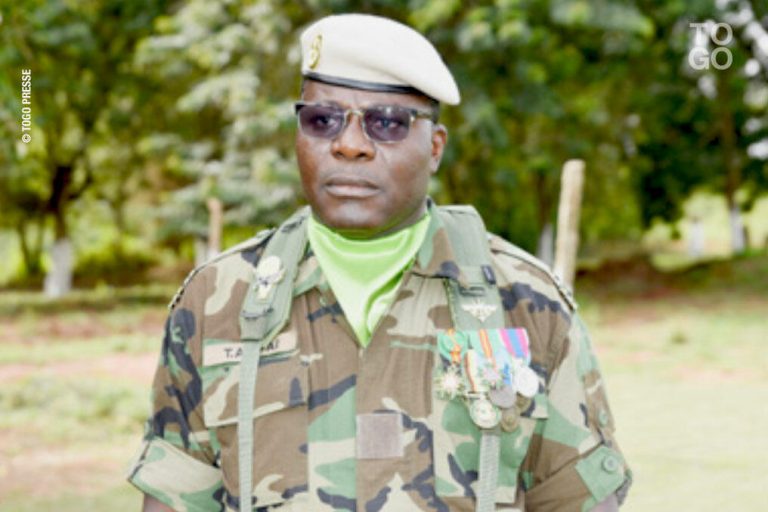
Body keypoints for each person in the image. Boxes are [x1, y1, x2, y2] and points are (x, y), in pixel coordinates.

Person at [128, 13, 631, 512]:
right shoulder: (219, 300)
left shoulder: (524, 300)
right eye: (322, 120)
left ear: (435, 147)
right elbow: (175, 497)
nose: (349, 145)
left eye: (387, 123)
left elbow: (577, 499)